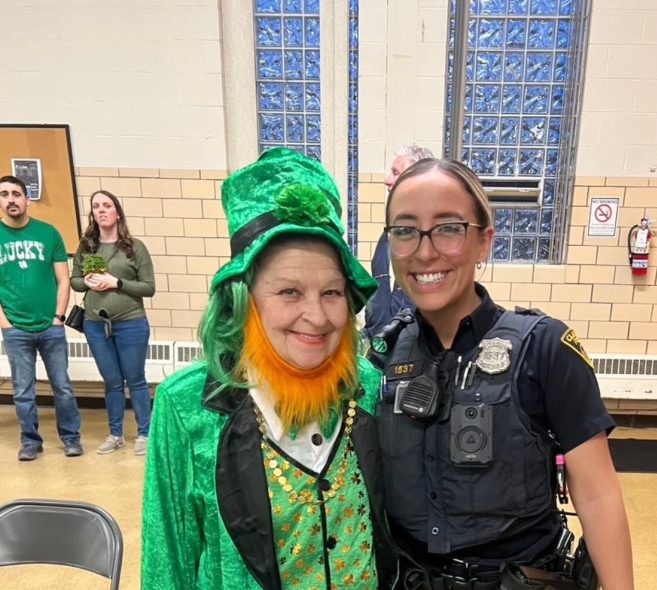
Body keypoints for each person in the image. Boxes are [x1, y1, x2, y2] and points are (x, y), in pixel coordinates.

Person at [141, 148, 398, 589]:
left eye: (333, 292)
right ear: (245, 300)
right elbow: (168, 563)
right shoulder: (186, 407)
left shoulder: (367, 386)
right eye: (289, 292)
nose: (317, 317)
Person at [376, 159, 634, 589]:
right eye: (405, 230)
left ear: (484, 242)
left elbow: (598, 494)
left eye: (448, 227)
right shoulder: (380, 358)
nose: (424, 251)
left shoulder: (544, 348)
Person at [0, 175, 83, 461]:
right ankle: (31, 441)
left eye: (15, 194)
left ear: (27, 199)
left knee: (62, 387)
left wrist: (58, 317)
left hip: (51, 327)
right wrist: (5, 323)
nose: (10, 199)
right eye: (4, 194)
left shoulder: (49, 233)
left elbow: (64, 279)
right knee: (23, 391)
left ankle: (71, 437)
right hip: (15, 328)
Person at [70, 190, 155, 455]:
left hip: (130, 322)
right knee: (112, 381)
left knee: (136, 379)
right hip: (96, 324)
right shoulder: (87, 247)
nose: (101, 210)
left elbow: (149, 287)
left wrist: (116, 282)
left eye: (107, 205)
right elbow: (74, 280)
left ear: (117, 212)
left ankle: (144, 433)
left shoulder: (135, 247)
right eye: (96, 206)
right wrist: (89, 282)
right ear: (92, 214)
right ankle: (115, 433)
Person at [364, 145, 434, 342]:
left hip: (413, 352)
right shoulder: (387, 234)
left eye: (396, 173)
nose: (387, 180)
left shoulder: (433, 237)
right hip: (378, 347)